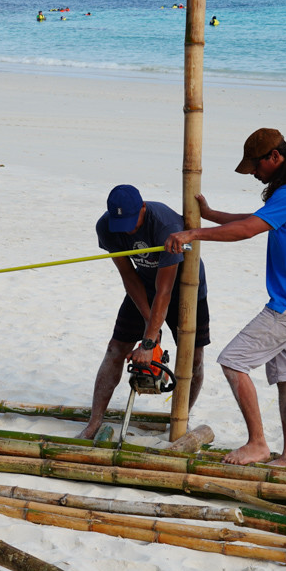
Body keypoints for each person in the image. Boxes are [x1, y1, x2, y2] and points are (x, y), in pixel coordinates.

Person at [165, 128, 286, 467]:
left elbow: (249, 229)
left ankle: (258, 444)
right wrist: (211, 216)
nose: (254, 174)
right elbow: (256, 220)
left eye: (255, 167)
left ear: (274, 158)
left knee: (233, 361)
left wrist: (194, 232)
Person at [78, 185, 210, 440]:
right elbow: (128, 274)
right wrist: (151, 322)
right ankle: (94, 423)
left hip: (187, 287)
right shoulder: (106, 227)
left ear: (143, 208)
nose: (126, 229)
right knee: (115, 349)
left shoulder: (164, 225)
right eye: (120, 223)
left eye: (131, 222)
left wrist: (149, 341)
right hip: (143, 285)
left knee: (194, 358)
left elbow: (165, 289)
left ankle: (180, 421)